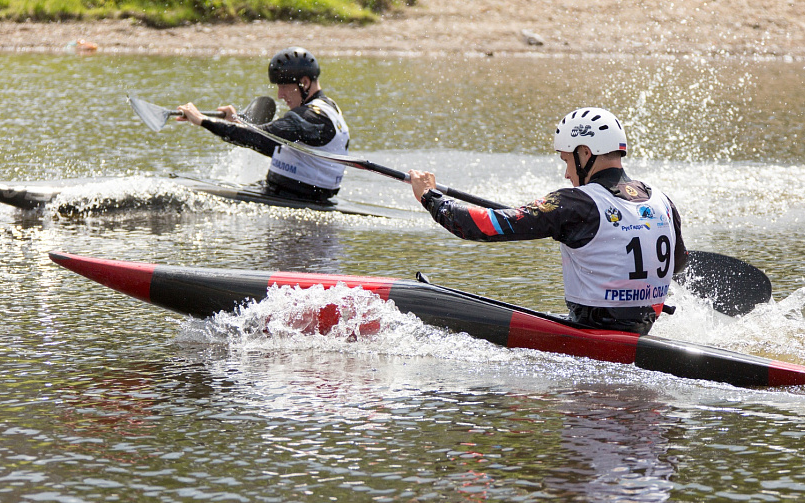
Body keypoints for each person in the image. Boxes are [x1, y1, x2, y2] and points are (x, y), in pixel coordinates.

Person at [408, 107, 687, 335]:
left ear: (585, 153)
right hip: (642, 329)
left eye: (567, 160)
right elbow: (678, 264)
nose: (567, 174)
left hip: (592, 330)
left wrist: (430, 198)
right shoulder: (662, 201)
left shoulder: (576, 204)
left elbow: (481, 226)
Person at [176, 47, 350, 202]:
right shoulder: (327, 109)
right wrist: (236, 121)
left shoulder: (311, 117)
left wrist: (203, 120)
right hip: (291, 192)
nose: (280, 95)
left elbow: (259, 138)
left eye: (284, 87)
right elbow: (273, 145)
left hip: (296, 197)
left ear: (304, 83)